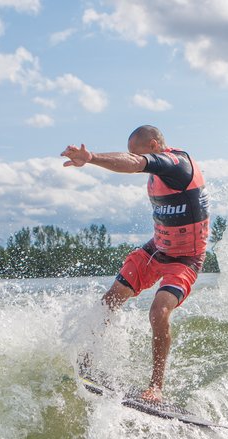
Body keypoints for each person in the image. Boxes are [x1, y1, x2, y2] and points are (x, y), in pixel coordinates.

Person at [61, 125, 210, 402]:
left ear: (154, 146)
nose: (134, 158)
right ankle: (84, 364)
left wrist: (91, 157)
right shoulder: (156, 176)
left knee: (159, 310)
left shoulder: (176, 164)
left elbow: (135, 164)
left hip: (185, 259)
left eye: (137, 153)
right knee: (111, 300)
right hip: (156, 250)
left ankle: (156, 387)